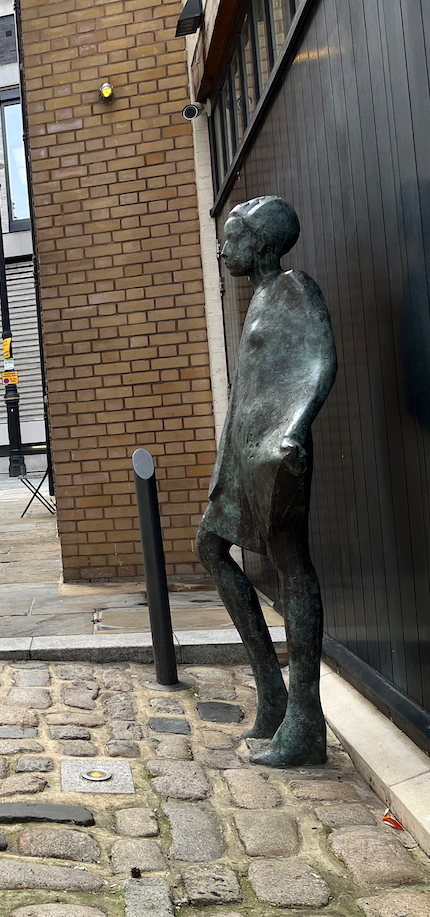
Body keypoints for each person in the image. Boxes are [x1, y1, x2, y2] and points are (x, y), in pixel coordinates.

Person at [194, 196, 336, 767]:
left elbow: (319, 363)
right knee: (211, 546)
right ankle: (273, 694)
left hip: (276, 454)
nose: (224, 248)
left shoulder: (294, 289)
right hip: (244, 455)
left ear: (262, 245)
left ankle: (304, 717)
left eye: (233, 238)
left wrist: (294, 431)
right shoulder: (258, 298)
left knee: (290, 560)